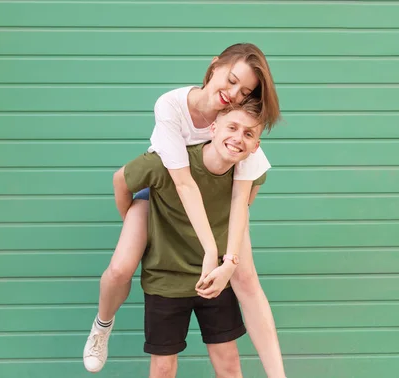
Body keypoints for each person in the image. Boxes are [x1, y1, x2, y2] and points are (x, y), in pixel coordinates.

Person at [84, 43, 286, 377]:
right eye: (231, 80)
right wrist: (140, 225)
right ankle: (102, 325)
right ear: (214, 66)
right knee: (120, 270)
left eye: (245, 91)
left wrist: (227, 254)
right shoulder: (173, 105)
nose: (234, 93)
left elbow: (241, 201)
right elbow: (179, 184)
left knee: (246, 278)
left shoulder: (242, 138)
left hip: (211, 201)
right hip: (162, 195)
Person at [114, 101, 266, 377]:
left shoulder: (248, 175)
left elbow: (240, 213)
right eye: (232, 127)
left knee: (229, 362)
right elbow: (121, 181)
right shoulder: (167, 162)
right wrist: (134, 224)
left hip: (215, 278)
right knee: (162, 367)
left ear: (256, 146)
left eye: (248, 134)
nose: (237, 138)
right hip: (166, 279)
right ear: (213, 128)